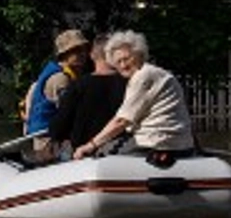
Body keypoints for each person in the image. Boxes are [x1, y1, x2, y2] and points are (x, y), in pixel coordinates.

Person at [74, 29, 195, 160]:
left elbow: (122, 120)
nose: (123, 65)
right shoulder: (156, 73)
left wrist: (91, 145)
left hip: (156, 141)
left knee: (99, 153)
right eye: (118, 62)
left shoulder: (144, 76)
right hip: (177, 142)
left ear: (139, 54)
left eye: (126, 59)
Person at [48, 35, 127, 158]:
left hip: (84, 157)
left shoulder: (78, 86)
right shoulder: (132, 85)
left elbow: (58, 129)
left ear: (92, 55)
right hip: (125, 153)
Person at [21, 28, 92, 161]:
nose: (82, 54)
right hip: (48, 139)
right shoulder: (60, 79)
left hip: (54, 136)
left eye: (84, 49)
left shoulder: (68, 74)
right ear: (64, 54)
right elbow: (67, 112)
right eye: (76, 51)